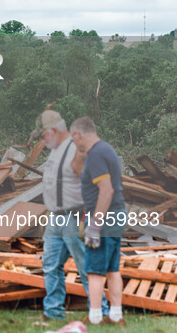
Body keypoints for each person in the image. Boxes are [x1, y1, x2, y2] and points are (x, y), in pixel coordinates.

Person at [31, 110, 108, 321]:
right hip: (56, 218)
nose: (42, 140)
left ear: (53, 131)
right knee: (50, 264)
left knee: (85, 267)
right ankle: (53, 312)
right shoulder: (55, 150)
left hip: (75, 217)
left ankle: (101, 313)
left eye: (43, 135)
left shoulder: (76, 149)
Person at [70, 117, 127, 326]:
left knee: (94, 270)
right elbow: (77, 170)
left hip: (105, 218)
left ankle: (95, 318)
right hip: (116, 215)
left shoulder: (96, 155)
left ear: (78, 134)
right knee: (112, 269)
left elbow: (106, 190)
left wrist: (95, 222)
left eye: (73, 139)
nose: (74, 143)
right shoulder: (105, 150)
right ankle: (115, 316)